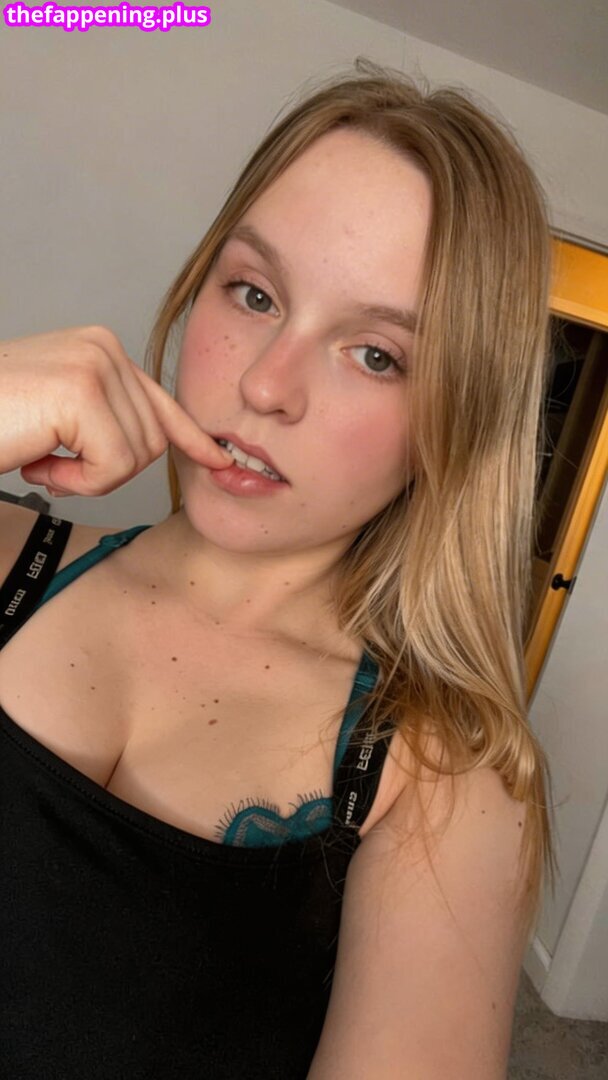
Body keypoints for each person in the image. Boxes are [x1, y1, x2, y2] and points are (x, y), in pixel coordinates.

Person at [0, 58, 557, 1079]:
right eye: (253, 293)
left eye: (375, 354)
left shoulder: (439, 789)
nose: (264, 385)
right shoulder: (7, 552)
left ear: (454, 424)